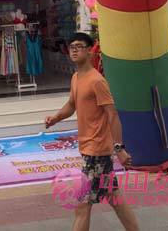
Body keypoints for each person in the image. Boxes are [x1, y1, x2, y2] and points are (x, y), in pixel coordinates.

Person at [45, 33, 139, 231]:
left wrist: (119, 149)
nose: (74, 50)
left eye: (79, 46)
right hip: (89, 148)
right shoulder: (76, 77)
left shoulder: (97, 81)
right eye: (71, 47)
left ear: (89, 51)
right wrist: (55, 118)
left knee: (82, 204)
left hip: (97, 150)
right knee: (113, 196)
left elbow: (112, 114)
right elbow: (72, 104)